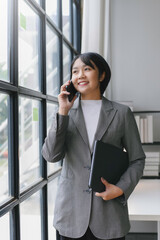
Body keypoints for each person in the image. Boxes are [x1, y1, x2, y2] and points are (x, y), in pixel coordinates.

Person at [42, 52, 145, 240]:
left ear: (102, 75)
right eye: (75, 71)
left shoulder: (121, 113)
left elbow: (137, 159)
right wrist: (63, 111)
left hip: (109, 214)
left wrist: (121, 188)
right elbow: (51, 155)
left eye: (87, 69)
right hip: (70, 215)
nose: (80, 75)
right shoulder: (64, 113)